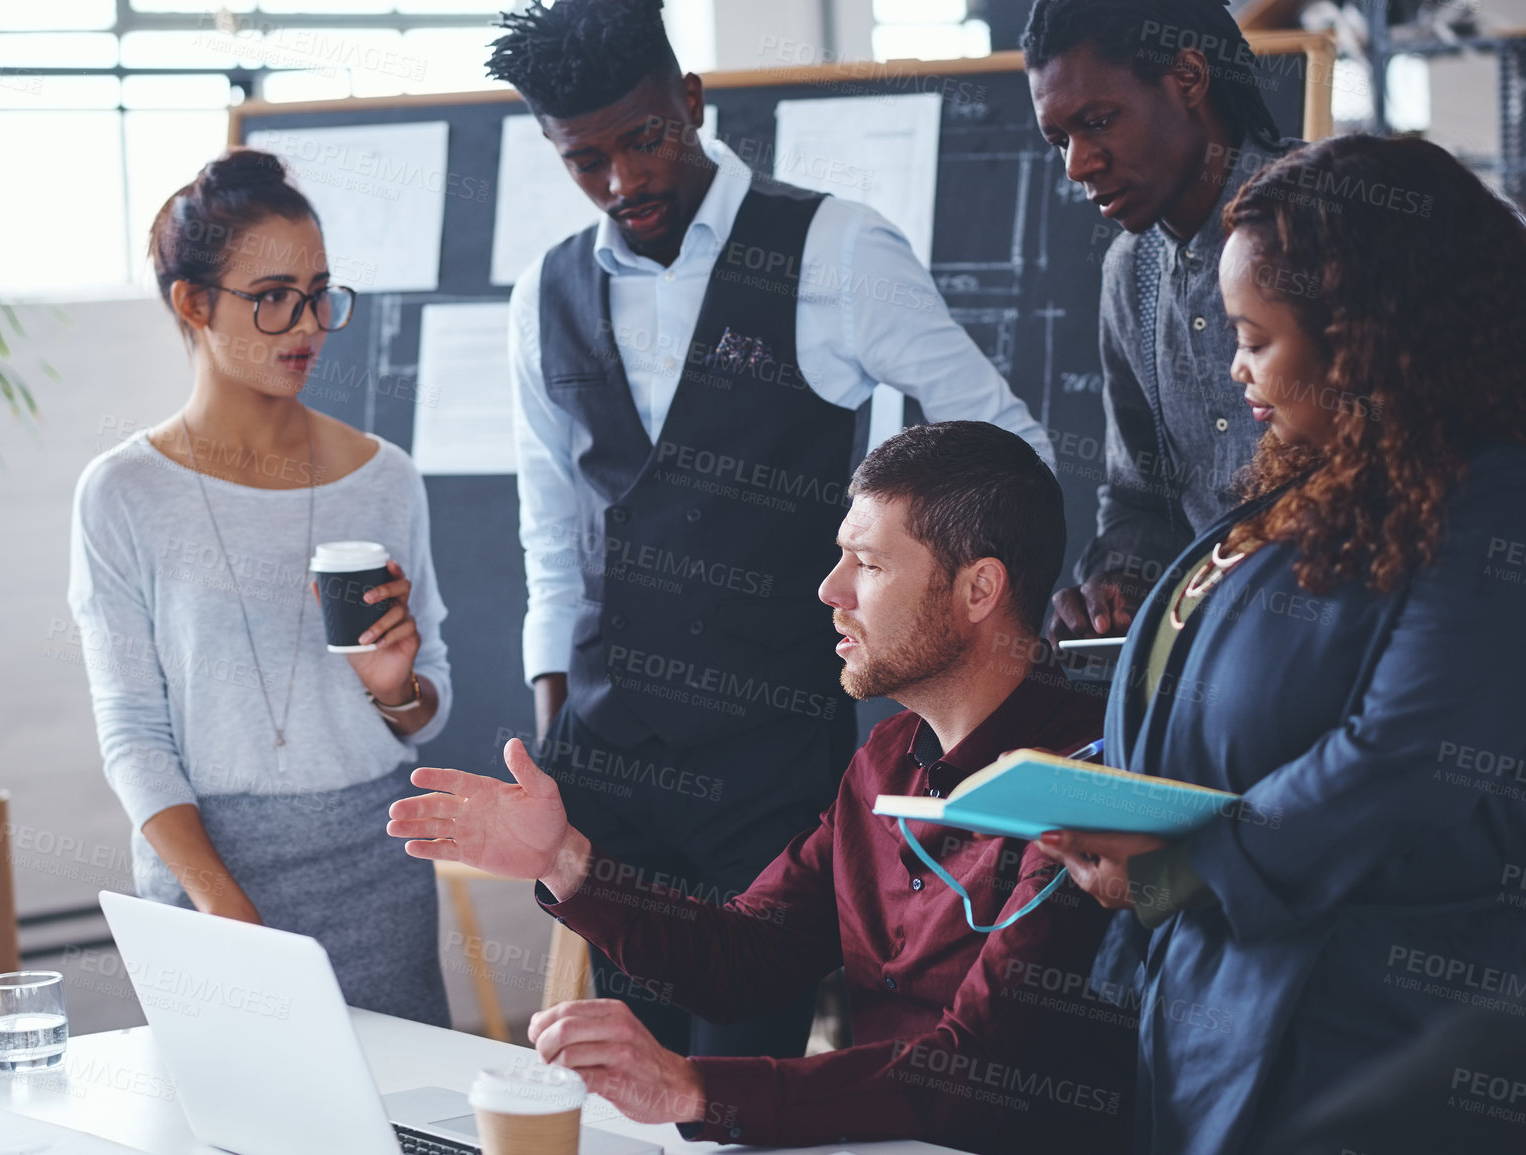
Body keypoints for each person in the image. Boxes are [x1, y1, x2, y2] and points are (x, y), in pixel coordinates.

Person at [492, 0, 1054, 1061]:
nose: (623, 182)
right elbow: (550, 528)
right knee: (620, 1081)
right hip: (609, 763)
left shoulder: (834, 247)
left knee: (741, 1087)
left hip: (770, 764)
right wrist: (555, 722)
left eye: (645, 138)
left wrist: (937, 618)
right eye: (585, 160)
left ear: (691, 102)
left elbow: (1006, 443)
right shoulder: (546, 290)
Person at [389, 422, 1135, 1155]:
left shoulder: (1084, 780)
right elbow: (749, 957)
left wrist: (692, 1087)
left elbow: (975, 1073)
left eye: (867, 565)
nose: (828, 589)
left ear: (979, 589)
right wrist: (566, 859)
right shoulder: (883, 757)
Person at [1030, 135, 1526, 1155]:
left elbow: (1397, 761)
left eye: (1257, 339)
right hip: (1219, 997)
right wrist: (1081, 789)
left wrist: (1172, 875)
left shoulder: (1490, 505)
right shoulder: (1326, 478)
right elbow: (1223, 687)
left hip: (1365, 1033)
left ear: (1361, 337)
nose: (1236, 371)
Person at [67, 148, 452, 1021]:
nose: (307, 322)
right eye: (272, 295)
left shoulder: (384, 476)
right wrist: (227, 910)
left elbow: (431, 708)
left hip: (374, 866)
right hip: (207, 884)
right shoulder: (123, 492)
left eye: (319, 291)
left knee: (401, 1127)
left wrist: (396, 692)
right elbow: (132, 731)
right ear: (193, 304)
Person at [1023, 0, 1300, 643]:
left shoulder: (1329, 214)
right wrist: (1115, 581)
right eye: (1060, 140)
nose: (1077, 165)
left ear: (1189, 79)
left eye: (1097, 122)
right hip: (1216, 652)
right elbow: (1142, 497)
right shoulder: (1131, 273)